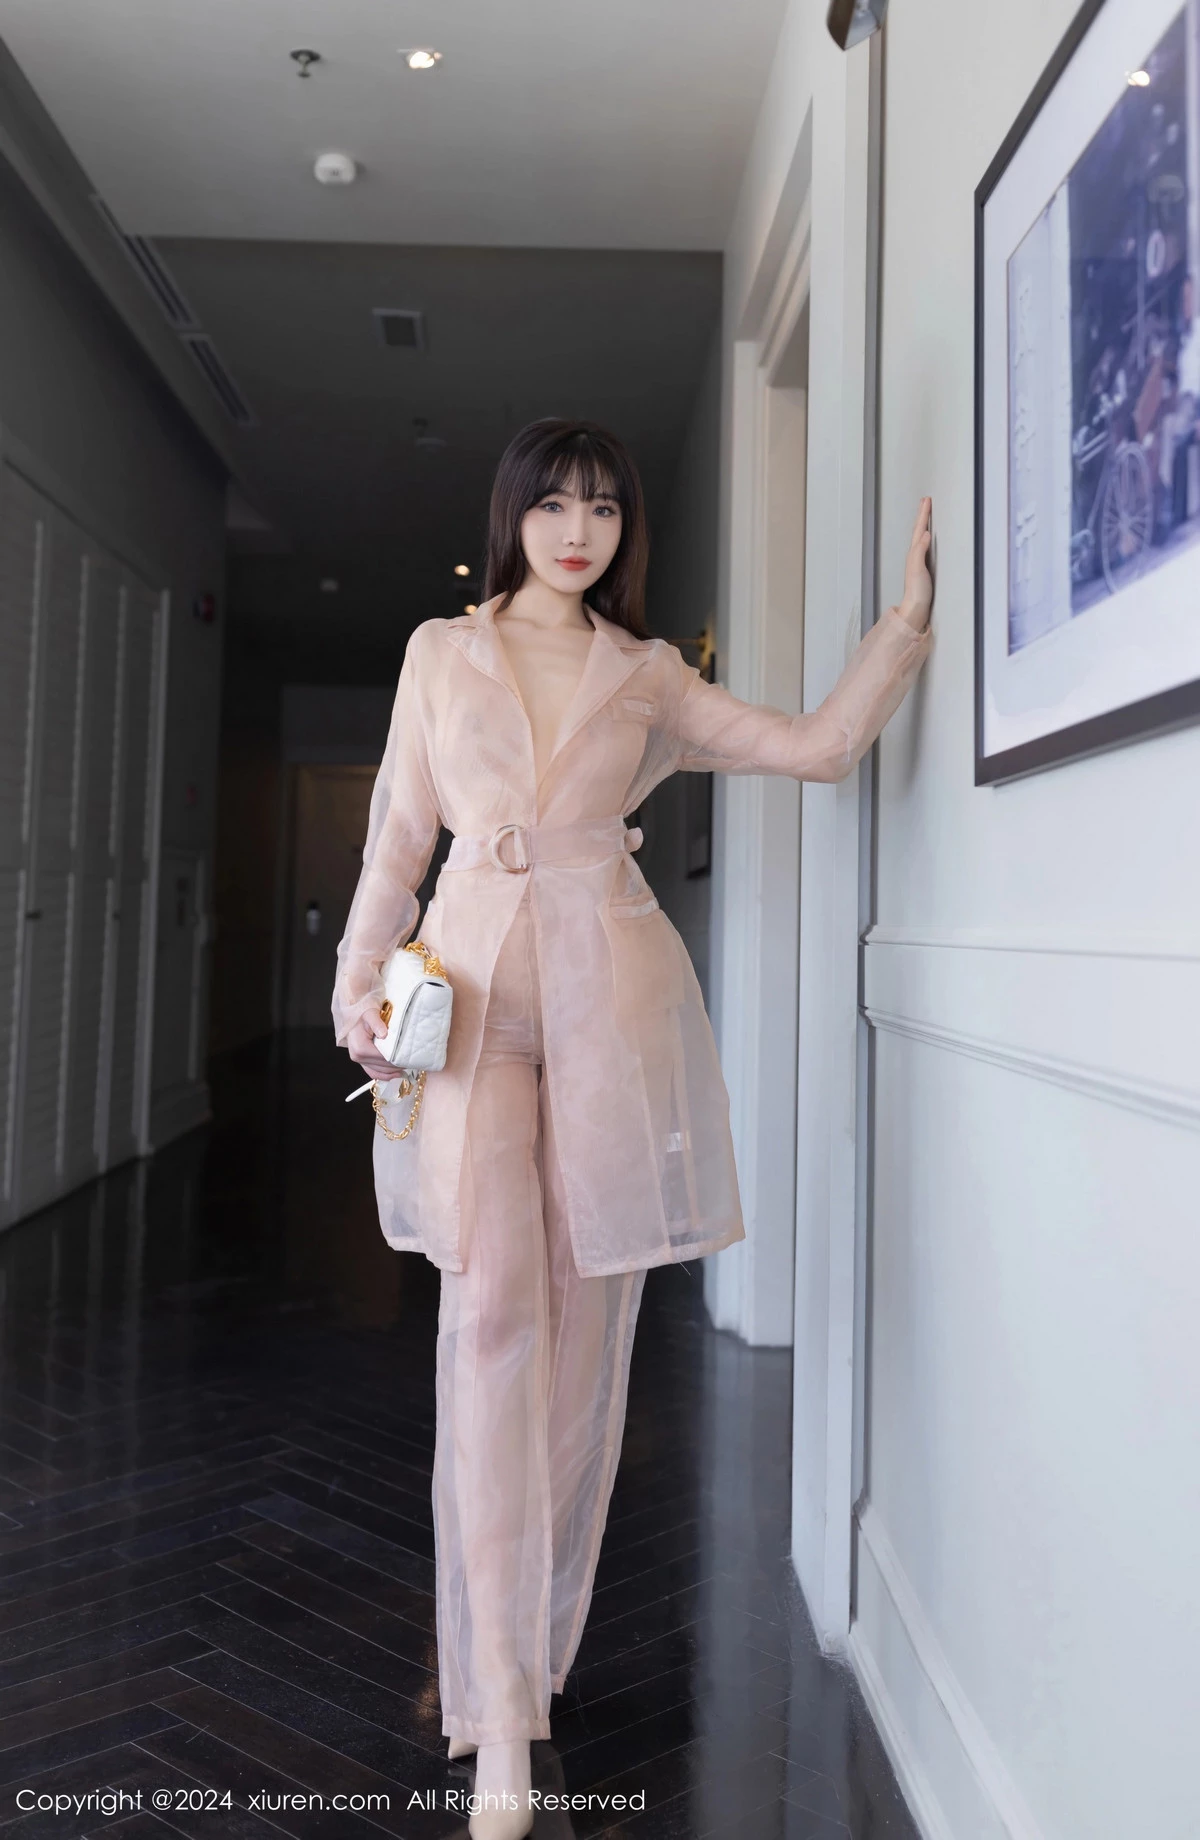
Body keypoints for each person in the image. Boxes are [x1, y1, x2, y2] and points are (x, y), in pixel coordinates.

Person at [333, 418, 934, 1839]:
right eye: (553, 504)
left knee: (586, 1337)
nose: (577, 531)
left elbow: (817, 748)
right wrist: (358, 981)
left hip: (612, 1012)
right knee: (489, 1322)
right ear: (514, 516)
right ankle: (495, 1714)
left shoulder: (648, 672)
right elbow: (397, 836)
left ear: (624, 531)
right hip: (468, 1006)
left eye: (602, 509)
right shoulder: (442, 652)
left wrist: (904, 629)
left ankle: (528, 1662)